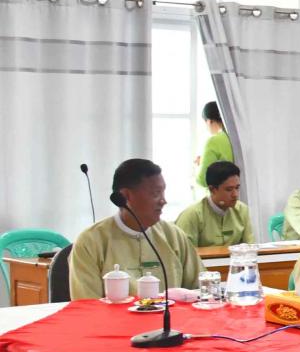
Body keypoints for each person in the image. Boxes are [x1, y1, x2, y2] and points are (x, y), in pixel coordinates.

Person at [70, 158, 201, 300]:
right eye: (155, 193)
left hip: (171, 314)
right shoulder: (90, 242)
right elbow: (86, 306)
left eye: (163, 192)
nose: (163, 201)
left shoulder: (174, 236)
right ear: (126, 196)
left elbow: (200, 291)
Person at [174, 160, 251, 247]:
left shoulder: (242, 210)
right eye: (229, 189)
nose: (235, 194)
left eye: (237, 188)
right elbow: (185, 253)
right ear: (212, 189)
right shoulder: (192, 215)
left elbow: (251, 248)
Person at [194, 101, 233, 190]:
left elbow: (203, 180)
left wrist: (198, 166)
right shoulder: (234, 137)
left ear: (209, 121)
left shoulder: (213, 141)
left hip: (220, 195)